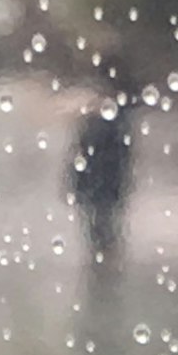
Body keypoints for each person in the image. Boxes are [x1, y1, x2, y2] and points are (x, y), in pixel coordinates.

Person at [68, 84, 137, 266]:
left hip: (103, 185)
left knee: (101, 222)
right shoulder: (113, 125)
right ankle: (104, 255)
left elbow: (81, 157)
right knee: (103, 223)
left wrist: (75, 184)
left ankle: (103, 255)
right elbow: (122, 158)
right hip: (103, 185)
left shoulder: (100, 125)